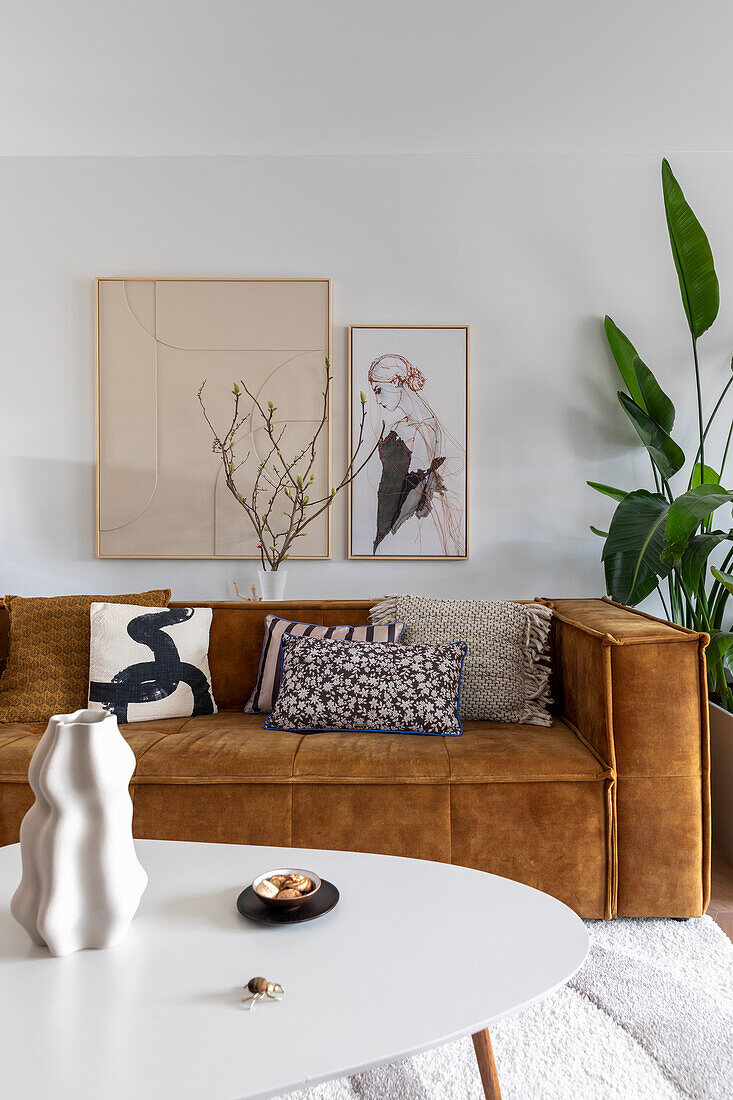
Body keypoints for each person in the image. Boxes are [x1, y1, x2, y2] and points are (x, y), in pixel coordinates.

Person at [367, 354, 464, 555]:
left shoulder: (424, 429)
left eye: (379, 390)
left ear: (395, 381)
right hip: (387, 518)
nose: (377, 400)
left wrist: (389, 536)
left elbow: (415, 491)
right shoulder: (403, 424)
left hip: (396, 523)